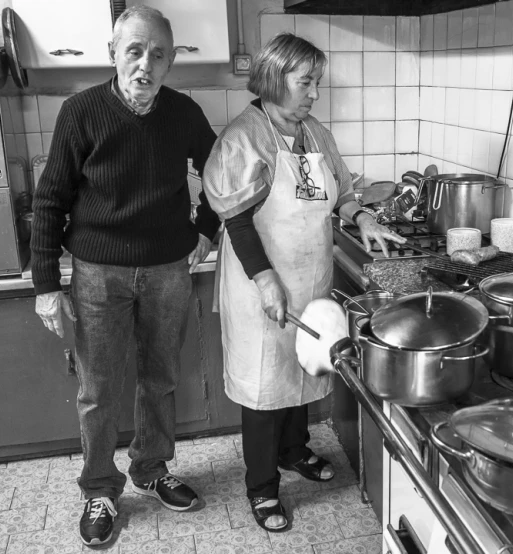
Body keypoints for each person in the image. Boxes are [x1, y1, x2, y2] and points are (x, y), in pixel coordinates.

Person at [30, 6, 220, 547]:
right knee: (98, 389)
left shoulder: (183, 113)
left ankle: (152, 468)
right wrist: (46, 284)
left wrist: (206, 229)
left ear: (170, 59)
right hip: (97, 273)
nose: (145, 64)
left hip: (167, 269)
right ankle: (100, 488)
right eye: (134, 51)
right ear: (113, 52)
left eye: (158, 53)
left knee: (159, 379)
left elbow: (220, 175)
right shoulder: (81, 111)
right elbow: (50, 200)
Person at [202, 33, 406, 533]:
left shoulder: (313, 132)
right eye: (306, 82)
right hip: (260, 280)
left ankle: (295, 451)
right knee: (264, 385)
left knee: (302, 368)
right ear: (275, 79)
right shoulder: (244, 137)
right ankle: (262, 487)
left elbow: (342, 193)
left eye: (317, 81)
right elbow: (238, 220)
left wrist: (362, 219)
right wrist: (266, 280)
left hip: (309, 274)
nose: (314, 92)